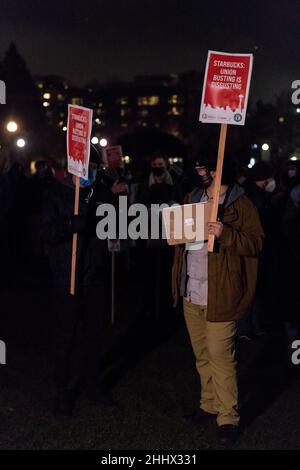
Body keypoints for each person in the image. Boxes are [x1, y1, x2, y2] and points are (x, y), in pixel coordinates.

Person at [172, 155, 264, 445]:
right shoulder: (193, 197)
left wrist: (227, 234)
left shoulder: (242, 205)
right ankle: (209, 404)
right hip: (192, 291)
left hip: (222, 292)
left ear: (218, 169)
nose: (200, 171)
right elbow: (181, 237)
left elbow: (256, 243)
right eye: (198, 167)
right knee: (202, 355)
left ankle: (228, 418)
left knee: (221, 356)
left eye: (205, 167)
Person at [42, 146, 126, 417]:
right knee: (65, 337)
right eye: (86, 163)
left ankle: (93, 386)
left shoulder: (99, 191)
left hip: (95, 275)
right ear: (72, 164)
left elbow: (115, 224)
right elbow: (47, 232)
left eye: (93, 164)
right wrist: (70, 225)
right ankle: (62, 395)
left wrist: (120, 202)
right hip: (67, 276)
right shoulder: (56, 193)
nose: (91, 169)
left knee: (94, 336)